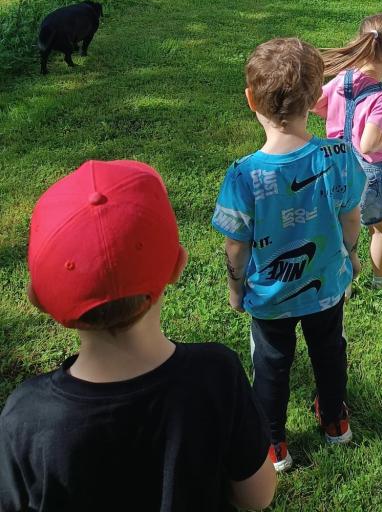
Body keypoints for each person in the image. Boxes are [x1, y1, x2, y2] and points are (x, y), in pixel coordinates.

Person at [0, 159, 276, 512]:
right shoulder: (216, 375)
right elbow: (257, 497)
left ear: (38, 298)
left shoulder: (25, 417)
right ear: (178, 265)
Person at [212, 38, 364, 474]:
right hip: (326, 286)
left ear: (250, 100)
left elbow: (236, 245)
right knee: (330, 351)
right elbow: (351, 216)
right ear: (316, 99)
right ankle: (335, 421)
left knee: (271, 366)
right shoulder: (339, 155)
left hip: (270, 298)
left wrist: (235, 289)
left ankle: (274, 443)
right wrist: (351, 257)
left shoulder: (243, 175)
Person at [314, 13, 382, 288]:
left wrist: (338, 115)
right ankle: (381, 279)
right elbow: (368, 145)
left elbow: (316, 104)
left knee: (341, 228)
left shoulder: (343, 78)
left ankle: (342, 287)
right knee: (378, 229)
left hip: (335, 165)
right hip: (368, 173)